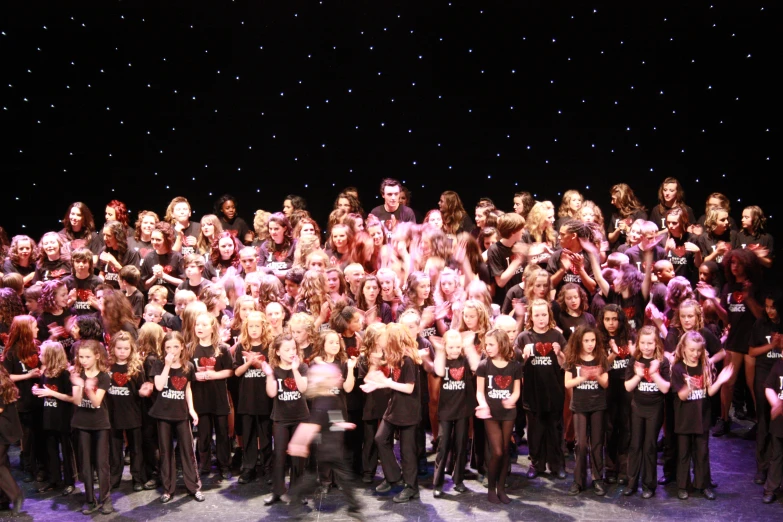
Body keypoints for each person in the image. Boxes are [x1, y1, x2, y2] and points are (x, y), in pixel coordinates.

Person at [285, 363, 363, 519]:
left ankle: (354, 506)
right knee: (323, 478)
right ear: (327, 380)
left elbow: (332, 418)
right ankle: (295, 497)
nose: (339, 378)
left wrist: (342, 424)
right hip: (327, 447)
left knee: (323, 477)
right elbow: (312, 425)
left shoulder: (330, 398)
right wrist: (298, 443)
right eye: (336, 376)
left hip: (331, 444)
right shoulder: (323, 401)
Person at [361, 323, 422, 503]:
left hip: (408, 411)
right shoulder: (395, 358)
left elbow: (409, 388)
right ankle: (394, 476)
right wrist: (378, 384)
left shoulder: (408, 360)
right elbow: (393, 380)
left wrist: (386, 384)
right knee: (380, 439)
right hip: (394, 408)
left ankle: (412, 488)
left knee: (407, 452)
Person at [671, 331, 733, 500]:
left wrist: (720, 380)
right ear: (684, 349)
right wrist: (689, 386)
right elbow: (682, 396)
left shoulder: (704, 366)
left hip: (701, 418)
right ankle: (683, 486)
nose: (695, 354)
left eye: (698, 350)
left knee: (702, 453)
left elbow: (710, 391)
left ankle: (702, 484)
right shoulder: (677, 369)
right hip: (684, 420)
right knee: (684, 454)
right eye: (691, 350)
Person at [148, 331, 204, 503]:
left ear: (181, 348)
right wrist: (167, 365)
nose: (172, 350)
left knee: (188, 450)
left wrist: (192, 410)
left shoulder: (188, 366)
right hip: (163, 413)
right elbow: (158, 386)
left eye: (175, 347)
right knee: (166, 451)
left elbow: (187, 389)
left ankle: (194, 487)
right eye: (168, 347)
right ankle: (167, 489)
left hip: (180, 413)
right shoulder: (158, 364)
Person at [515, 299, 567, 480]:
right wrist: (523, 353)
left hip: (554, 393)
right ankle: (536, 464)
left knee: (555, 431)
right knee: (535, 432)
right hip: (532, 393)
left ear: (549, 315)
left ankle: (557, 465)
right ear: (531, 317)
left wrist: (559, 353)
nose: (541, 318)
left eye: (544, 314)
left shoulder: (557, 335)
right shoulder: (524, 337)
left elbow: (566, 364)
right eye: (536, 315)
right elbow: (515, 363)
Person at [261, 333, 309, 505]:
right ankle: (277, 491)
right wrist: (268, 375)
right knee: (279, 455)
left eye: (293, 349)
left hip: (300, 417)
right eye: (287, 349)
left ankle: (297, 491)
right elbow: (272, 393)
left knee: (298, 458)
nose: (291, 352)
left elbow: (303, 389)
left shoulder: (302, 367)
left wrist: (295, 369)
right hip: (281, 418)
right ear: (278, 352)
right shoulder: (274, 369)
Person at [623, 326, 671, 498]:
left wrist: (654, 373)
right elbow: (628, 387)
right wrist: (638, 375)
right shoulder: (634, 361)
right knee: (635, 444)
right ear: (638, 344)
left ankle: (649, 485)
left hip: (655, 409)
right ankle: (632, 483)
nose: (646, 347)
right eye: (642, 343)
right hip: (637, 408)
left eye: (650, 343)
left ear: (656, 343)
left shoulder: (663, 362)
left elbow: (666, 389)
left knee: (649, 446)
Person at [475, 328, 521, 504]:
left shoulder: (514, 366)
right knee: (497, 451)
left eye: (491, 344)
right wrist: (484, 405)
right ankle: (491, 488)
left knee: (505, 452)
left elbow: (517, 391)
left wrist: (512, 399)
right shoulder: (484, 365)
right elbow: (480, 392)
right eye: (487, 345)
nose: (488, 348)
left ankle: (502, 488)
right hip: (491, 414)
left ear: (501, 344)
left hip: (508, 413)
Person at [564, 325, 610, 496]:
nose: (590, 344)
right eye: (586, 341)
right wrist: (582, 377)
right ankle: (579, 480)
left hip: (598, 405)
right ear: (579, 341)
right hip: (580, 405)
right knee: (581, 444)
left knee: (597, 443)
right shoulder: (573, 358)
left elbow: (605, 383)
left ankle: (598, 479)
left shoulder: (601, 357)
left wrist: (596, 375)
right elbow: (567, 383)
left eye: (592, 340)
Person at [70, 340, 114, 514]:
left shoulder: (103, 376)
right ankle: (90, 499)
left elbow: (96, 402)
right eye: (81, 357)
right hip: (81, 423)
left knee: (102, 463)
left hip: (100, 424)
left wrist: (88, 388)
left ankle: (106, 499)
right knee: (86, 464)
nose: (84, 360)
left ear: (97, 356)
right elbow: (77, 401)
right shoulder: (78, 373)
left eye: (87, 357)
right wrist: (80, 385)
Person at [233, 310, 275, 484]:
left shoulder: (269, 345)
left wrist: (259, 363)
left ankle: (267, 467)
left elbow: (272, 369)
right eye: (251, 326)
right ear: (246, 327)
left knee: (265, 434)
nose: (254, 329)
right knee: (249, 435)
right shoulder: (242, 346)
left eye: (258, 326)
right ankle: (249, 467)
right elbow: (236, 371)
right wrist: (250, 362)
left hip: (264, 399)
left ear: (264, 327)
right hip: (247, 399)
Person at [106, 331, 152, 491]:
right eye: (119, 348)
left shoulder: (136, 366)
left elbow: (141, 388)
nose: (122, 351)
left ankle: (137, 478)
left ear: (131, 349)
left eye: (126, 348)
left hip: (133, 413)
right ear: (113, 348)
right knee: (114, 449)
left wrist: (144, 390)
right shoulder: (107, 365)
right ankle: (114, 478)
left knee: (136, 448)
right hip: (113, 414)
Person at [30, 341, 76, 496]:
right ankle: (54, 479)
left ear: (50, 356)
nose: (39, 356)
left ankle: (69, 482)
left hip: (63, 419)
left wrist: (51, 393)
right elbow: (46, 392)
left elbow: (71, 397)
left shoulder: (64, 374)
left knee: (66, 451)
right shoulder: (46, 373)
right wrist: (37, 390)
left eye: (42, 354)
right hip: (49, 417)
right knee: (51, 451)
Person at [0, 365, 25, 515]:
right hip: (6, 429)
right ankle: (4, 498)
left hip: (3, 430)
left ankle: (16, 495)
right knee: (2, 463)